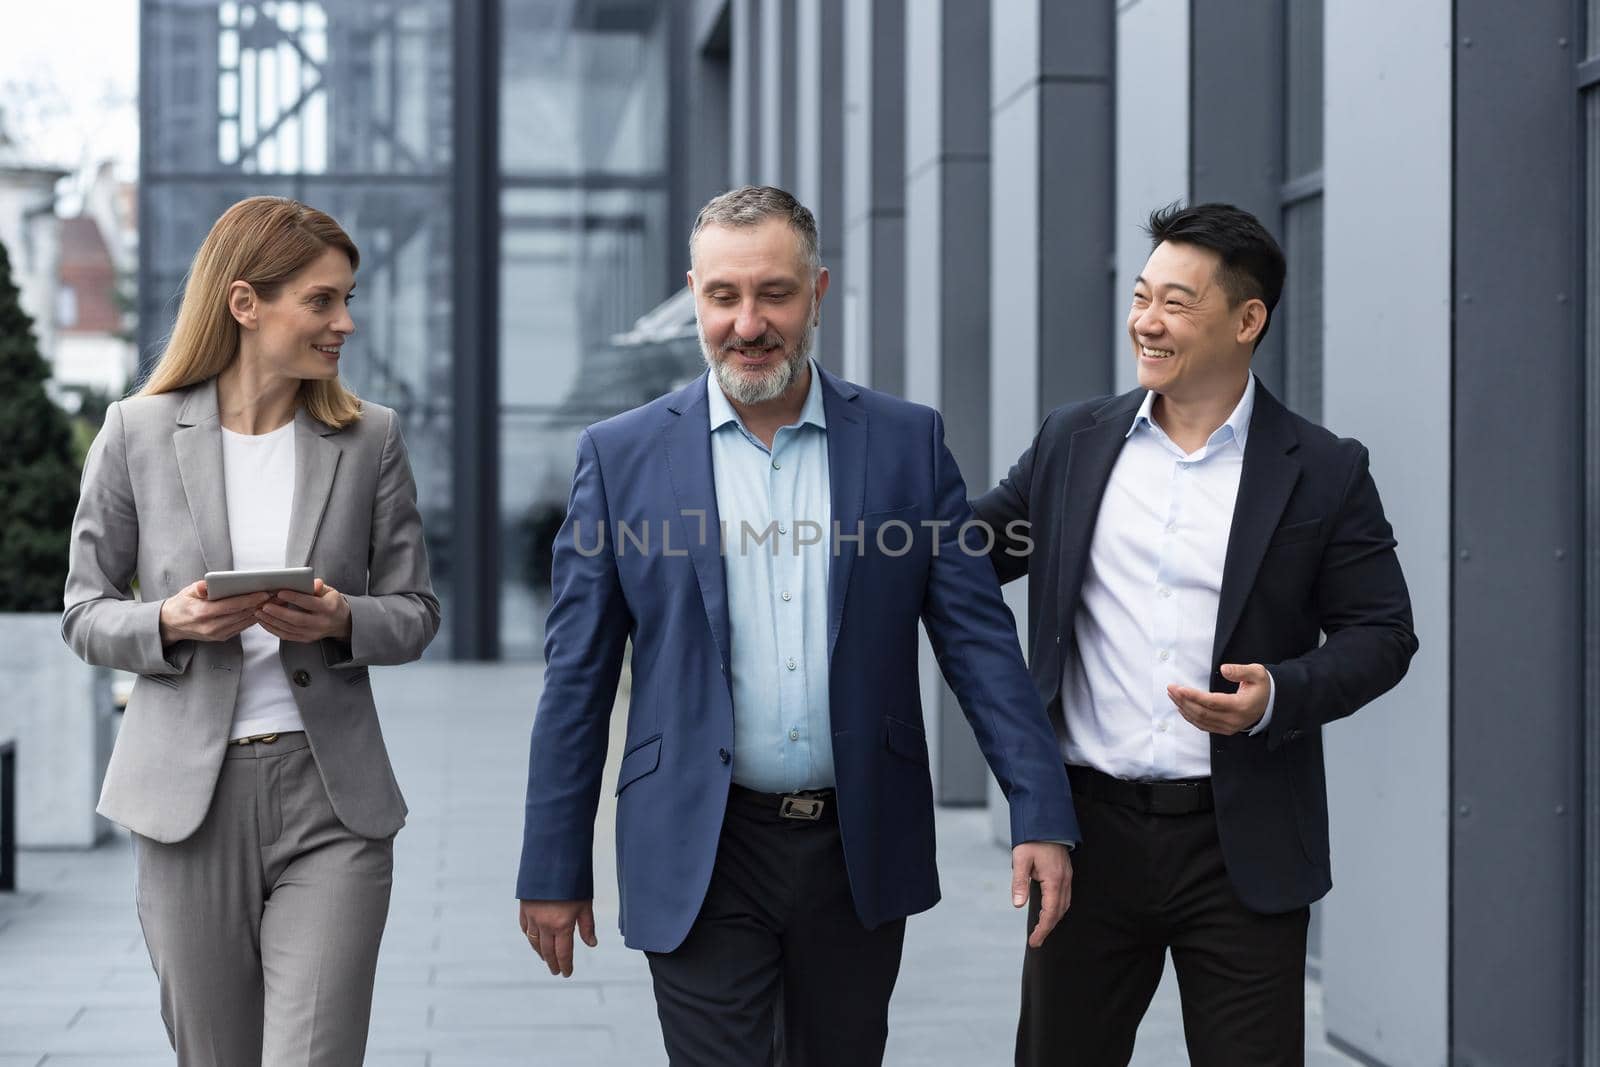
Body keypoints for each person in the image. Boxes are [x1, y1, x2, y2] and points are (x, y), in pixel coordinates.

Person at [515, 185, 1077, 1066]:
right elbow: (577, 679)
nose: (748, 323)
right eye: (724, 296)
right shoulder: (621, 458)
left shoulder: (905, 443)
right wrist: (553, 862)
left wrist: (1040, 809)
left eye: (773, 293)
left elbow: (978, 644)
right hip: (699, 841)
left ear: (816, 292)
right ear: (694, 293)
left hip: (856, 844)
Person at [974, 202, 1418, 1067]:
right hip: (1086, 839)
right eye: (1142, 296)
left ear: (1248, 320)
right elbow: (965, 553)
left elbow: (1383, 631)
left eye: (1176, 303)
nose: (1146, 320)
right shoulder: (1074, 443)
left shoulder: (1323, 470)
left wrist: (1277, 695)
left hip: (1240, 844)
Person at [62, 196, 440, 1065]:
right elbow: (84, 611)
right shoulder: (137, 432)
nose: (345, 321)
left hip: (332, 797)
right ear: (245, 303)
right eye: (321, 300)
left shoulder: (370, 437)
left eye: (347, 299)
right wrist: (170, 619)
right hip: (187, 803)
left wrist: (344, 617)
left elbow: (416, 611)